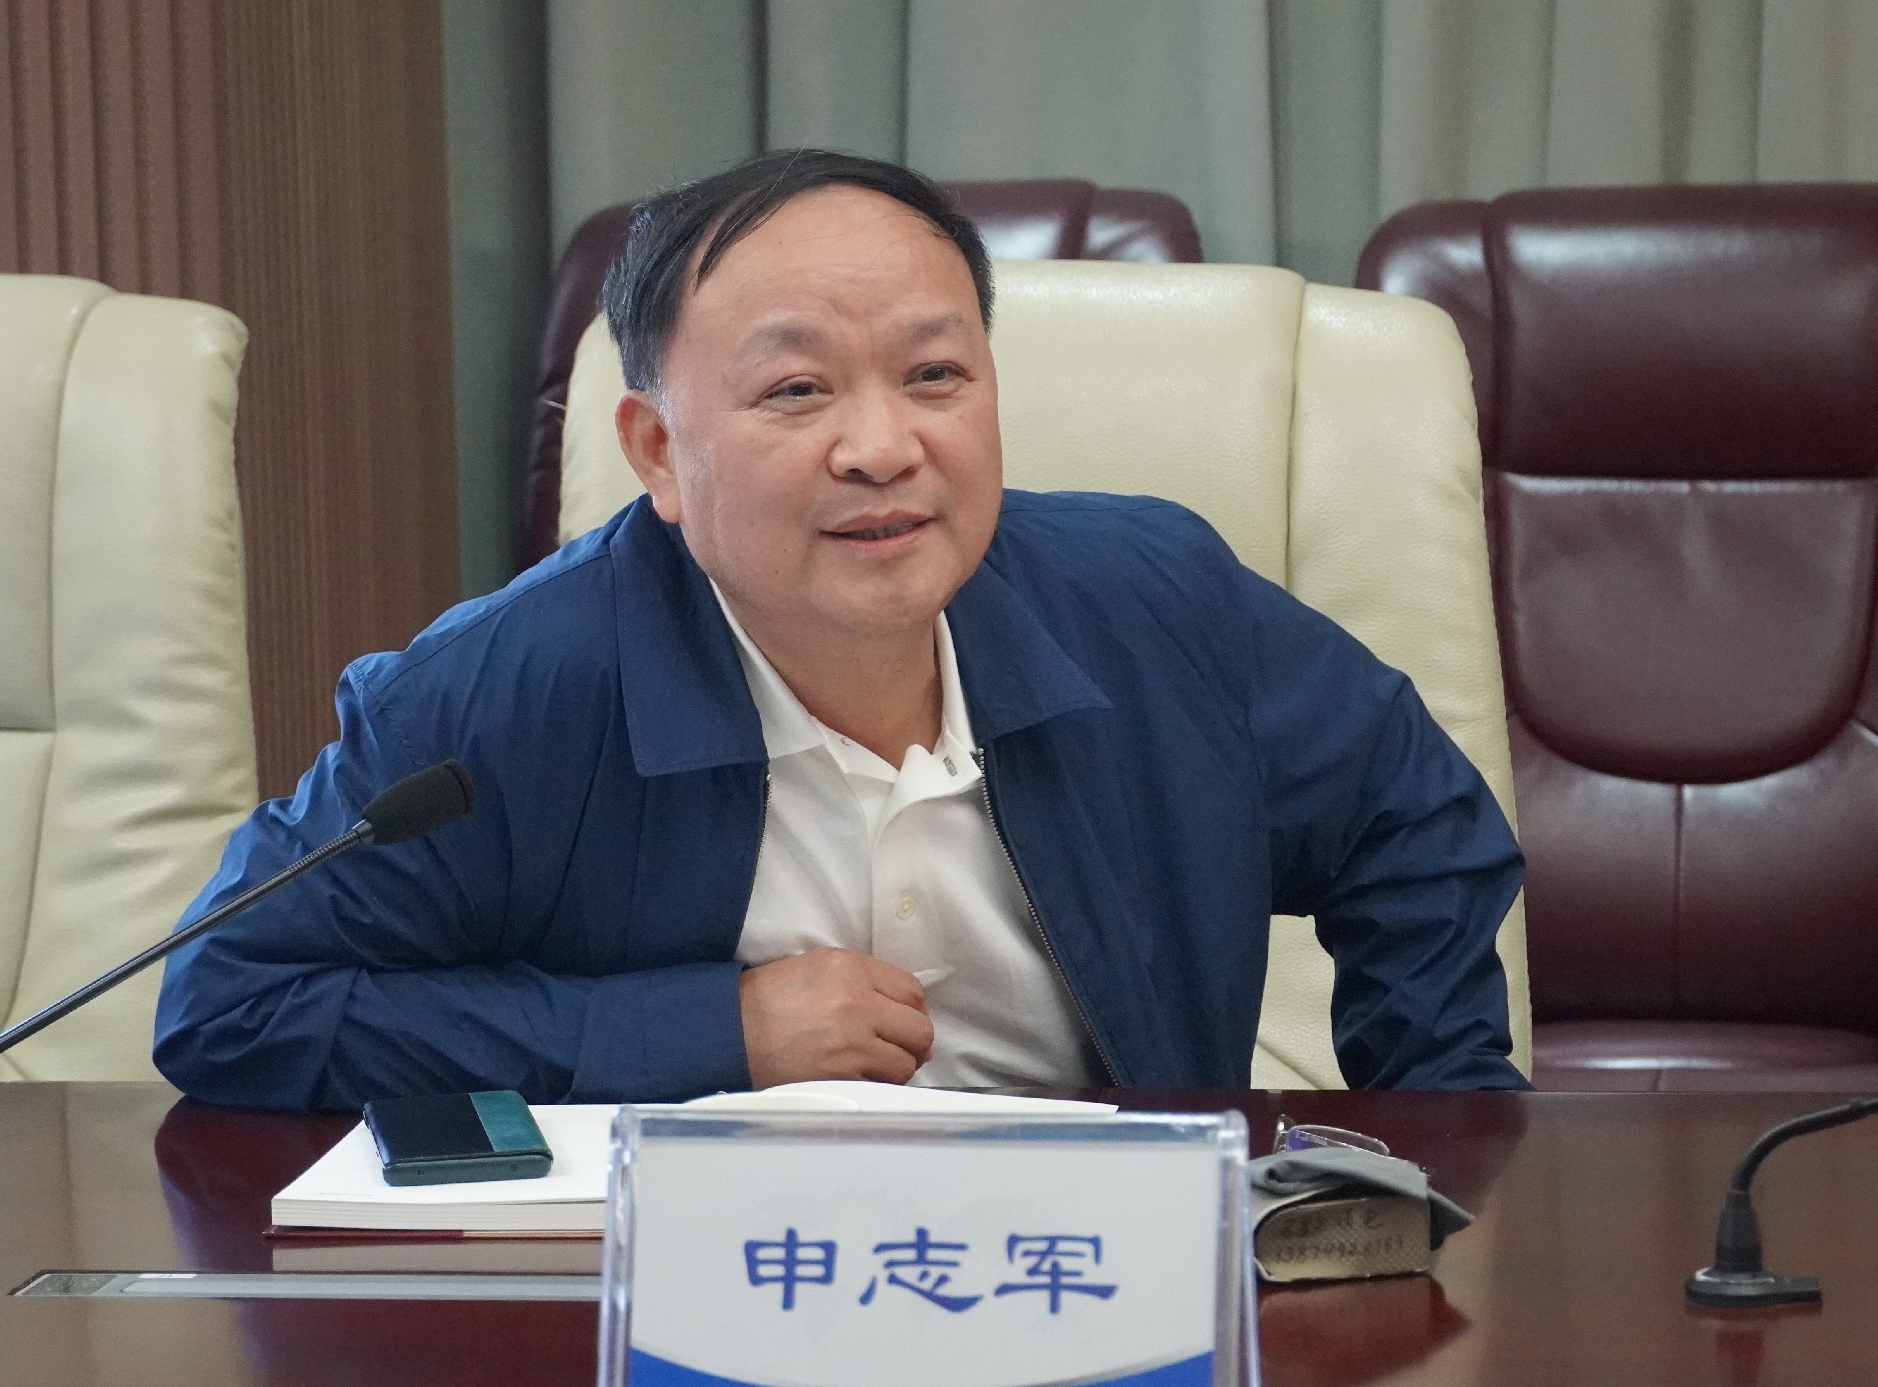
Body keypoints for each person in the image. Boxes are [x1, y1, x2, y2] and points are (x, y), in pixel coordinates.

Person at [154, 150, 1527, 1112]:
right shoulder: (498, 696)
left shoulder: (1153, 601)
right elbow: (232, 1002)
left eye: (936, 375)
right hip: (690, 1320)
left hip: (1100, 1288)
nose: (883, 447)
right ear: (657, 452)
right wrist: (709, 1032)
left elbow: (1415, 822)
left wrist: (1422, 1146)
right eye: (797, 390)